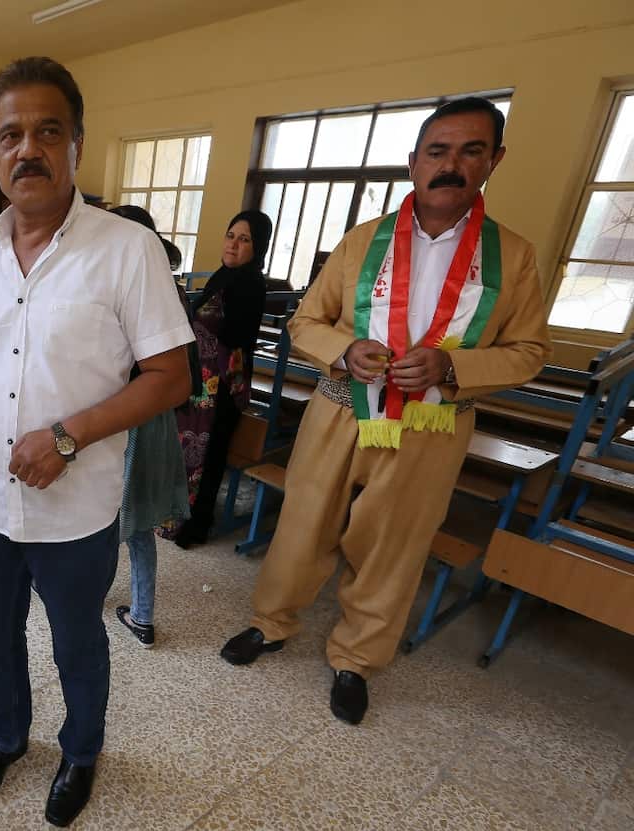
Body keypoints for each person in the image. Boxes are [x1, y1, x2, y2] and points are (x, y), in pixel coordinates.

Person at [219, 97, 550, 725]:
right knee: (304, 525)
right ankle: (271, 623)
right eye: (437, 151)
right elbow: (305, 321)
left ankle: (356, 659)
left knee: (394, 545)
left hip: (432, 423)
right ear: (414, 163)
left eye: (470, 150)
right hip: (341, 408)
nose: (451, 164)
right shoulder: (361, 241)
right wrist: (346, 349)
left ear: (494, 160)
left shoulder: (515, 256)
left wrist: (454, 366)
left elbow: (530, 351)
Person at [0, 57, 193, 828]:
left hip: (78, 509)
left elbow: (171, 376)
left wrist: (68, 435)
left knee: (76, 642)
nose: (29, 148)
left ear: (77, 143)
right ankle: (5, 737)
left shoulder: (126, 249)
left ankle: (81, 751)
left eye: (48, 130)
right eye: (10, 133)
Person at [106, 205, 196, 648]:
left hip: (123, 416)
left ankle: (92, 598)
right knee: (136, 521)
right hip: (155, 419)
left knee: (103, 515)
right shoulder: (171, 290)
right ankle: (141, 615)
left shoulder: (125, 288)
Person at [170, 210, 272, 548]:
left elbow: (237, 335)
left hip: (222, 385)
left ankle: (194, 526)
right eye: (231, 236)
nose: (234, 244)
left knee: (209, 456)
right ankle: (178, 517)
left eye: (244, 240)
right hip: (202, 380)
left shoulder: (250, 282)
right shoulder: (224, 276)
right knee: (190, 451)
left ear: (257, 248)